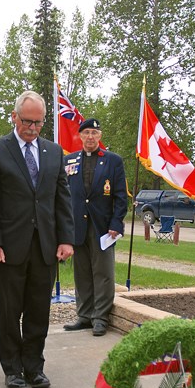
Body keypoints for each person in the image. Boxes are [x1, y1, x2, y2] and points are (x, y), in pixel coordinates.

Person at [0, 90, 74, 388]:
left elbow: (62, 198)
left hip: (45, 245)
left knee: (38, 309)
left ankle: (34, 366)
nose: (32, 128)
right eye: (27, 122)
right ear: (14, 117)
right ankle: (12, 369)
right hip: (8, 247)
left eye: (38, 123)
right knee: (10, 310)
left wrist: (66, 239)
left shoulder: (54, 152)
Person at [62, 119, 128, 337]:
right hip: (77, 225)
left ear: (100, 136)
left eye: (94, 132)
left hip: (103, 228)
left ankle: (101, 318)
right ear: (80, 136)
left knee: (103, 273)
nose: (90, 137)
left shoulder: (112, 161)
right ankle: (85, 315)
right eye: (86, 132)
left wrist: (116, 223)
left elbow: (120, 197)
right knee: (82, 273)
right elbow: (63, 196)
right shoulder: (69, 160)